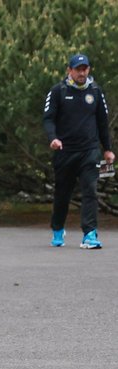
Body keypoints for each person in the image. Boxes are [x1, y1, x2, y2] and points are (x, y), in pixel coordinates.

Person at [43, 53, 114, 249]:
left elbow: (102, 122)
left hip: (89, 151)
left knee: (90, 190)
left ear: (88, 70)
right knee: (62, 194)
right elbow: (48, 119)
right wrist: (53, 139)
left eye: (85, 69)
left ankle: (90, 234)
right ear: (70, 70)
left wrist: (107, 149)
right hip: (65, 151)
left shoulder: (96, 91)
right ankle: (58, 229)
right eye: (78, 69)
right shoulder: (58, 91)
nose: (82, 72)